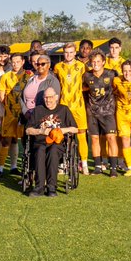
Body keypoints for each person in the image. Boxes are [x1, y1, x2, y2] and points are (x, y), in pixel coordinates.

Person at [24, 87, 78, 197]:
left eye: (50, 97)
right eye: (46, 98)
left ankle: (51, 187)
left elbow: (75, 129)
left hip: (57, 143)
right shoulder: (38, 110)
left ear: (56, 97)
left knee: (53, 151)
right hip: (40, 142)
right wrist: (41, 131)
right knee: (40, 152)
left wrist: (62, 130)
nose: (48, 100)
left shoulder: (64, 110)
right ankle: (39, 187)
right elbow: (28, 130)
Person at [54, 42, 90, 173]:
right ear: (63, 53)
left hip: (78, 106)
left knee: (81, 134)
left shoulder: (82, 66)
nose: (68, 55)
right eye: (66, 52)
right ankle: (63, 163)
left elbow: (88, 84)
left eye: (71, 52)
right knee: (63, 135)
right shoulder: (58, 67)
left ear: (75, 53)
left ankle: (84, 163)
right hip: (63, 105)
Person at [82, 51, 119, 176]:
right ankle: (98, 166)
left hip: (108, 111)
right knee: (94, 138)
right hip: (92, 111)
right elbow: (82, 89)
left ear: (103, 62)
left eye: (98, 61)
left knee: (111, 138)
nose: (95, 64)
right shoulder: (86, 75)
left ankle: (113, 168)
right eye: (93, 62)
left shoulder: (111, 74)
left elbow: (119, 87)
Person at [0, 53, 28, 175]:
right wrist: (11, 106)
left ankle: (14, 167)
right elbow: (1, 96)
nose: (15, 64)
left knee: (19, 141)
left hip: (24, 113)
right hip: (9, 114)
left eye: (18, 62)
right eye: (13, 62)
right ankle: (0, 168)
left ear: (23, 61)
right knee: (6, 141)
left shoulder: (28, 76)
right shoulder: (5, 77)